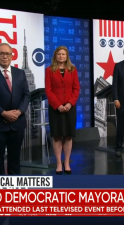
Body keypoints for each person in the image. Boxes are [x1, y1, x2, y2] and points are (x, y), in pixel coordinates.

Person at [0, 43, 30, 175]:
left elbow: (26, 95)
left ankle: (14, 190)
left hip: (17, 123)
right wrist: (3, 113)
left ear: (12, 56)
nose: (5, 56)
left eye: (7, 53)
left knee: (15, 160)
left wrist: (19, 112)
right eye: (1, 53)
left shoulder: (20, 73)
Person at [45, 46, 80, 175]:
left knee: (68, 135)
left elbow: (76, 88)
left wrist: (70, 103)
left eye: (63, 54)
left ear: (67, 56)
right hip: (56, 108)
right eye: (59, 54)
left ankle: (66, 162)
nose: (61, 56)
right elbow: (48, 90)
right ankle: (59, 163)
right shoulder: (49, 70)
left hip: (70, 108)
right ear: (55, 56)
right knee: (57, 136)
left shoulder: (72, 69)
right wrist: (58, 105)